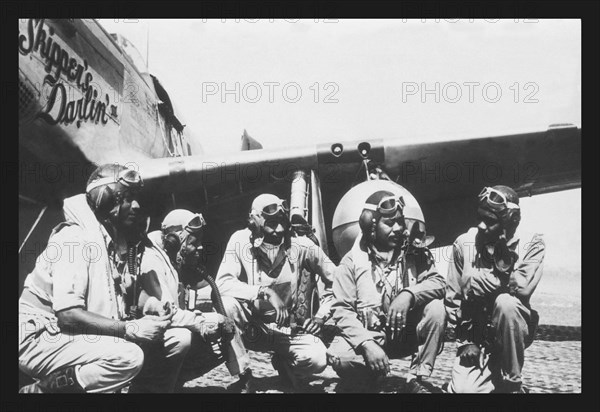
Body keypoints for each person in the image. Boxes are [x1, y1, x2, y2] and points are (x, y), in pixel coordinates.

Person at [18, 164, 171, 393]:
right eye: (128, 198)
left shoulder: (103, 242)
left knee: (168, 341)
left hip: (60, 333)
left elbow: (123, 289)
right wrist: (130, 328)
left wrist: (151, 304)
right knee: (127, 356)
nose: (137, 206)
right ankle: (40, 392)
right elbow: (68, 314)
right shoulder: (75, 238)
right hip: (38, 338)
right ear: (106, 199)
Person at [327, 190, 446, 393]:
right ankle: (371, 375)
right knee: (341, 358)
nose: (398, 228)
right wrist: (366, 344)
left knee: (436, 309)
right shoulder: (351, 262)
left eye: (400, 221)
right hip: (371, 335)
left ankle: (418, 378)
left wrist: (409, 294)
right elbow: (342, 310)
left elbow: (438, 282)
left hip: (406, 334)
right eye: (390, 223)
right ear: (370, 226)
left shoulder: (414, 253)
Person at [216, 193, 336, 390]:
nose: (279, 229)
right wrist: (263, 292)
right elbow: (222, 283)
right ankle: (244, 374)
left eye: (282, 222)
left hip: (289, 327)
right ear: (253, 221)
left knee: (318, 359)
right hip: (252, 328)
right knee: (227, 304)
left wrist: (321, 316)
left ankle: (288, 365)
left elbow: (338, 281)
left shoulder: (302, 245)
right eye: (271, 223)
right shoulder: (239, 241)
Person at [130, 209, 247, 392]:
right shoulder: (152, 262)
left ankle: (174, 381)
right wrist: (209, 321)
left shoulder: (169, 256)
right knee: (194, 334)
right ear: (177, 240)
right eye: (194, 243)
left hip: (161, 336)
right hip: (148, 341)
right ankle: (154, 386)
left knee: (221, 334)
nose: (200, 247)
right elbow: (169, 314)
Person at [445, 185, 545, 393]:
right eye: (479, 217)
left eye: (490, 221)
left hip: (511, 331)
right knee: (464, 391)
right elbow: (453, 297)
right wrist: (465, 342)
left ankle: (512, 383)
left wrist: (502, 256)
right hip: (476, 333)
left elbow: (522, 289)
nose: (481, 226)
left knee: (506, 303)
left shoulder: (531, 243)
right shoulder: (465, 243)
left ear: (510, 223)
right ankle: (489, 374)